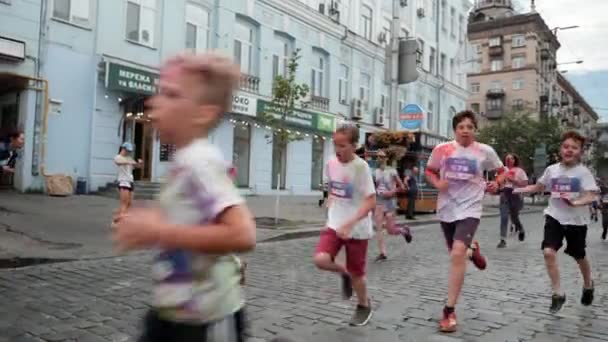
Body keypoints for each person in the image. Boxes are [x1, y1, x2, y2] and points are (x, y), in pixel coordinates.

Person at [113, 53, 255, 341]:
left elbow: (243, 234)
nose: (155, 101)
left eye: (171, 94)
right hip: (174, 309)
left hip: (208, 318)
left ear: (203, 113)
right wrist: (150, 223)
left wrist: (159, 230)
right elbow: (189, 218)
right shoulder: (184, 161)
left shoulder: (200, 162)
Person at [425, 110, 504, 333]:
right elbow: (430, 171)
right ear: (455, 130)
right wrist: (437, 183)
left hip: (471, 207)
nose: (466, 130)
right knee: (456, 252)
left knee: (456, 253)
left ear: (475, 130)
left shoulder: (484, 151)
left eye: (470, 127)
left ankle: (449, 310)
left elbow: (501, 171)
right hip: (447, 207)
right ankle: (473, 251)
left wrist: (496, 184)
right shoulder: (442, 150)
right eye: (462, 127)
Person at [514, 130, 598, 313]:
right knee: (548, 252)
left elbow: (591, 195)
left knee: (579, 256)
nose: (569, 150)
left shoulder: (583, 172)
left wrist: (576, 202)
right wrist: (519, 189)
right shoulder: (552, 170)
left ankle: (588, 284)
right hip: (555, 217)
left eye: (574, 148)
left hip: (576, 221)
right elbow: (540, 186)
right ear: (561, 149)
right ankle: (558, 293)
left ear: (580, 152)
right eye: (566, 146)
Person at [313, 124, 376, 327]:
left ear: (354, 146)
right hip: (334, 223)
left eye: (343, 145)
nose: (338, 150)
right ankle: (343, 273)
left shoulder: (361, 167)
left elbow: (370, 201)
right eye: (335, 145)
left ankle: (364, 305)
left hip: (357, 230)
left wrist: (350, 223)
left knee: (358, 274)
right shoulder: (331, 163)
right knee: (321, 259)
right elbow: (333, 188)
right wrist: (330, 204)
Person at [373, 150, 412, 262]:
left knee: (391, 230)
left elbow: (402, 187)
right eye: (377, 157)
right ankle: (382, 253)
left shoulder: (392, 171)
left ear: (386, 158)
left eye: (381, 156)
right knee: (379, 228)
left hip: (390, 202)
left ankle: (404, 231)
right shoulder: (375, 172)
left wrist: (392, 192)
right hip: (379, 202)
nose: (379, 159)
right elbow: (374, 187)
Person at [497, 153, 528, 248]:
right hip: (504, 195)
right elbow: (497, 182)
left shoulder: (520, 171)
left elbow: (525, 184)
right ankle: (503, 240)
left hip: (515, 195)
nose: (509, 160)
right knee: (504, 217)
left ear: (515, 160)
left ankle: (521, 229)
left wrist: (513, 180)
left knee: (514, 217)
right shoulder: (502, 170)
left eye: (511, 158)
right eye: (507, 158)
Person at [114, 142, 142, 217]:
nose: (129, 152)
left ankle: (116, 217)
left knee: (129, 203)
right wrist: (128, 162)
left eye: (130, 151)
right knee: (124, 203)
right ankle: (120, 220)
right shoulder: (118, 157)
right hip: (123, 181)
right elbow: (118, 162)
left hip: (130, 181)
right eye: (127, 150)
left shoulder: (129, 158)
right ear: (123, 148)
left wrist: (139, 163)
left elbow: (137, 166)